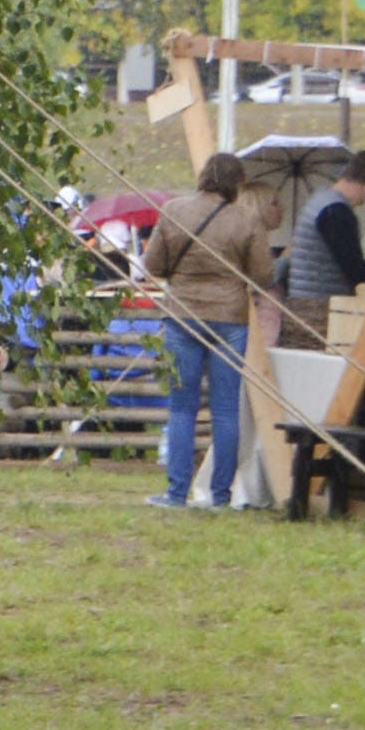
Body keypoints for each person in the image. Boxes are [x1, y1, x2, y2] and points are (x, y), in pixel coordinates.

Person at [141, 151, 280, 510]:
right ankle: (221, 496)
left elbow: (153, 265)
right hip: (230, 318)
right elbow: (263, 276)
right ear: (237, 184)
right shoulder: (247, 219)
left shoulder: (173, 210)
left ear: (204, 176)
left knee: (182, 408)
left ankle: (175, 494)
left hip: (183, 314)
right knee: (225, 409)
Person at [283, 147, 365, 348]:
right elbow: (354, 270)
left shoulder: (319, 201)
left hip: (301, 306)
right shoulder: (336, 212)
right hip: (322, 313)